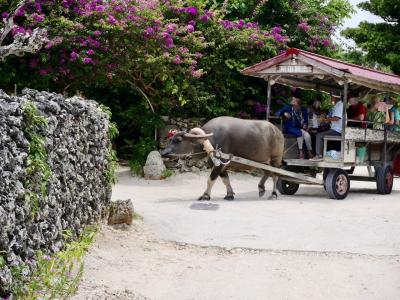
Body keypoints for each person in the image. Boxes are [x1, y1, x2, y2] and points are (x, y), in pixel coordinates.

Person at [310, 95, 343, 161]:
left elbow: (336, 118)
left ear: (334, 97)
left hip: (337, 131)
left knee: (319, 135)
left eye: (331, 97)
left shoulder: (340, 105)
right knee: (318, 133)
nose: (331, 99)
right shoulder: (337, 105)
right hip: (334, 129)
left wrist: (324, 120)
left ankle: (318, 155)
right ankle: (321, 154)